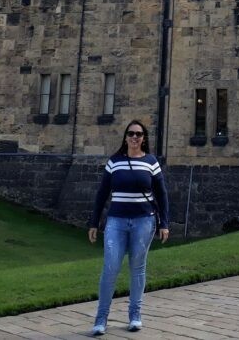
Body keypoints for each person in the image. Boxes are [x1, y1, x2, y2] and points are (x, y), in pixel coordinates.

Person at [88, 120, 170, 335]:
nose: (135, 137)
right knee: (111, 267)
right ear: (125, 137)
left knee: (137, 267)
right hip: (116, 221)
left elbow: (161, 195)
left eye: (139, 134)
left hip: (144, 221)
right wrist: (94, 222)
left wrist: (165, 223)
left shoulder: (151, 162)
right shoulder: (114, 162)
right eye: (131, 134)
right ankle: (101, 318)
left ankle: (135, 315)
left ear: (144, 139)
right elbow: (102, 193)